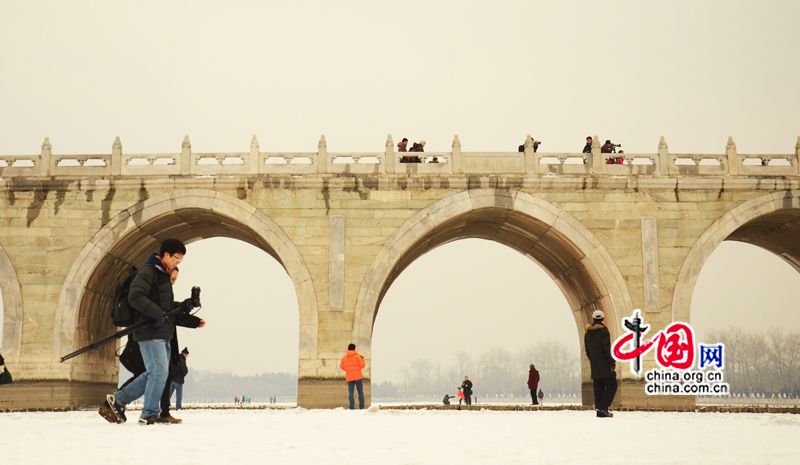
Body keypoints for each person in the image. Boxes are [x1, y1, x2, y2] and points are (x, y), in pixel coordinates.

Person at [98, 239, 192, 425]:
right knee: (158, 372)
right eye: (176, 258)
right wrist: (156, 314)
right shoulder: (148, 271)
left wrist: (186, 307)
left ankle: (118, 400)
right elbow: (135, 296)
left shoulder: (163, 275)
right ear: (165, 254)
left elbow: (165, 306)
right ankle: (149, 413)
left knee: (156, 373)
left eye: (180, 260)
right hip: (150, 330)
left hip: (162, 332)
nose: (177, 262)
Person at [157, 267, 204, 424]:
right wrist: (190, 310)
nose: (173, 282)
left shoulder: (165, 295)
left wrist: (194, 320)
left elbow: (174, 313)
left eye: (175, 279)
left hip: (164, 339)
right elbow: (170, 313)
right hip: (155, 339)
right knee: (151, 376)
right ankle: (120, 400)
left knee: (162, 375)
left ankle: (161, 411)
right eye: (171, 279)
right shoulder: (157, 293)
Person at [585, 309, 617, 418]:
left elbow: (587, 351)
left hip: (595, 366)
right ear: (603, 319)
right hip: (604, 366)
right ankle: (603, 407)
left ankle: (600, 412)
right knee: (612, 385)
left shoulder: (587, 334)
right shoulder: (604, 332)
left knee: (598, 387)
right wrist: (612, 362)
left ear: (593, 319)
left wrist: (593, 360)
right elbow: (606, 349)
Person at [339, 343, 366, 409]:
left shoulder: (344, 357)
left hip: (349, 377)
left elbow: (342, 367)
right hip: (358, 377)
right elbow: (363, 365)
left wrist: (348, 369)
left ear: (348, 348)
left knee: (351, 393)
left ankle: (351, 407)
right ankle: (361, 407)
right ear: (354, 348)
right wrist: (362, 359)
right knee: (360, 392)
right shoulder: (358, 357)